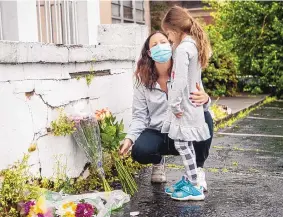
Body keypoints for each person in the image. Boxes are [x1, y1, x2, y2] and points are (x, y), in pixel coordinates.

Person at [119, 30, 213, 192]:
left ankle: (197, 170)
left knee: (205, 118)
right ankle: (158, 161)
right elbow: (140, 116)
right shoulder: (143, 81)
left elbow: (201, 103)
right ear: (149, 53)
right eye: (155, 45)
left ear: (171, 46)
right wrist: (130, 138)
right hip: (159, 131)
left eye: (163, 42)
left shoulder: (186, 71)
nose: (160, 47)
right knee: (139, 152)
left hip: (183, 129)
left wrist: (206, 99)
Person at [160, 6, 212, 201]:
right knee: (185, 142)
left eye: (167, 34)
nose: (168, 38)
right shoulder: (194, 45)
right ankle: (191, 180)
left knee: (182, 143)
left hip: (184, 106)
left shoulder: (183, 49)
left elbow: (180, 80)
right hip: (192, 103)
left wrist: (173, 104)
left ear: (174, 30)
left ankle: (194, 186)